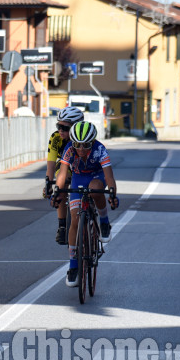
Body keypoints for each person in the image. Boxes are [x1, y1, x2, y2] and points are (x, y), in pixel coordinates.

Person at [54, 121, 119, 287]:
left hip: (97, 176)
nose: (81, 149)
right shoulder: (68, 149)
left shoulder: (100, 150)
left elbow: (109, 177)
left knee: (95, 188)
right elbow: (62, 175)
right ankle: (73, 265)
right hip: (78, 178)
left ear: (93, 142)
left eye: (86, 145)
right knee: (75, 219)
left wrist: (112, 193)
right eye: (78, 145)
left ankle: (104, 221)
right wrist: (58, 192)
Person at [43, 106, 84, 245]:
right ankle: (62, 226)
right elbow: (51, 163)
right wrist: (48, 183)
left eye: (65, 128)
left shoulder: (83, 137)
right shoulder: (55, 138)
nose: (60, 130)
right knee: (62, 185)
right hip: (64, 165)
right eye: (58, 126)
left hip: (82, 166)